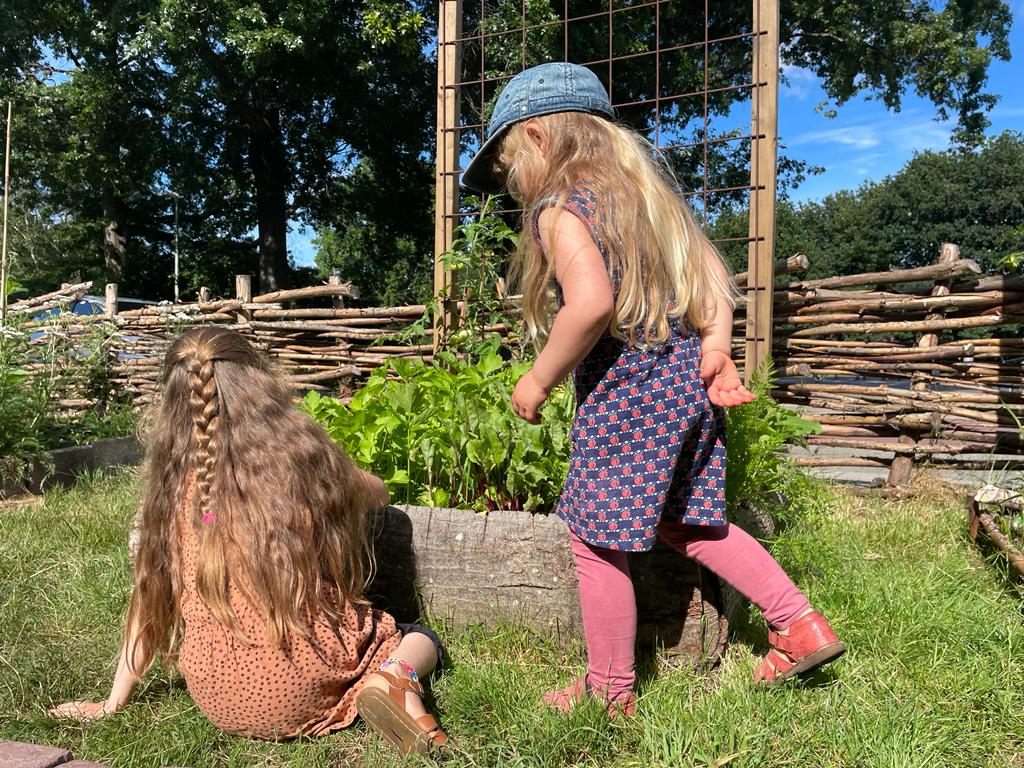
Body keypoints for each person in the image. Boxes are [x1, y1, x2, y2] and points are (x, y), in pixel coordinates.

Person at [462, 62, 845, 715]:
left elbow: (589, 305)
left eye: (505, 164)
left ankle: (609, 693)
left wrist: (537, 378)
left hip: (629, 393)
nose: (509, 179)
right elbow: (715, 288)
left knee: (595, 541)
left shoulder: (559, 208)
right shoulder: (646, 198)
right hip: (684, 385)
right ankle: (797, 623)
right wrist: (717, 351)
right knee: (689, 523)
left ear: (536, 138)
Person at [49, 326, 446, 755]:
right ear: (257, 383)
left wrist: (112, 703)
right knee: (419, 636)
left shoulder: (171, 491)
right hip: (303, 684)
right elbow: (378, 491)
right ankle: (393, 679)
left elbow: (149, 601)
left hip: (216, 695)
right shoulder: (300, 459)